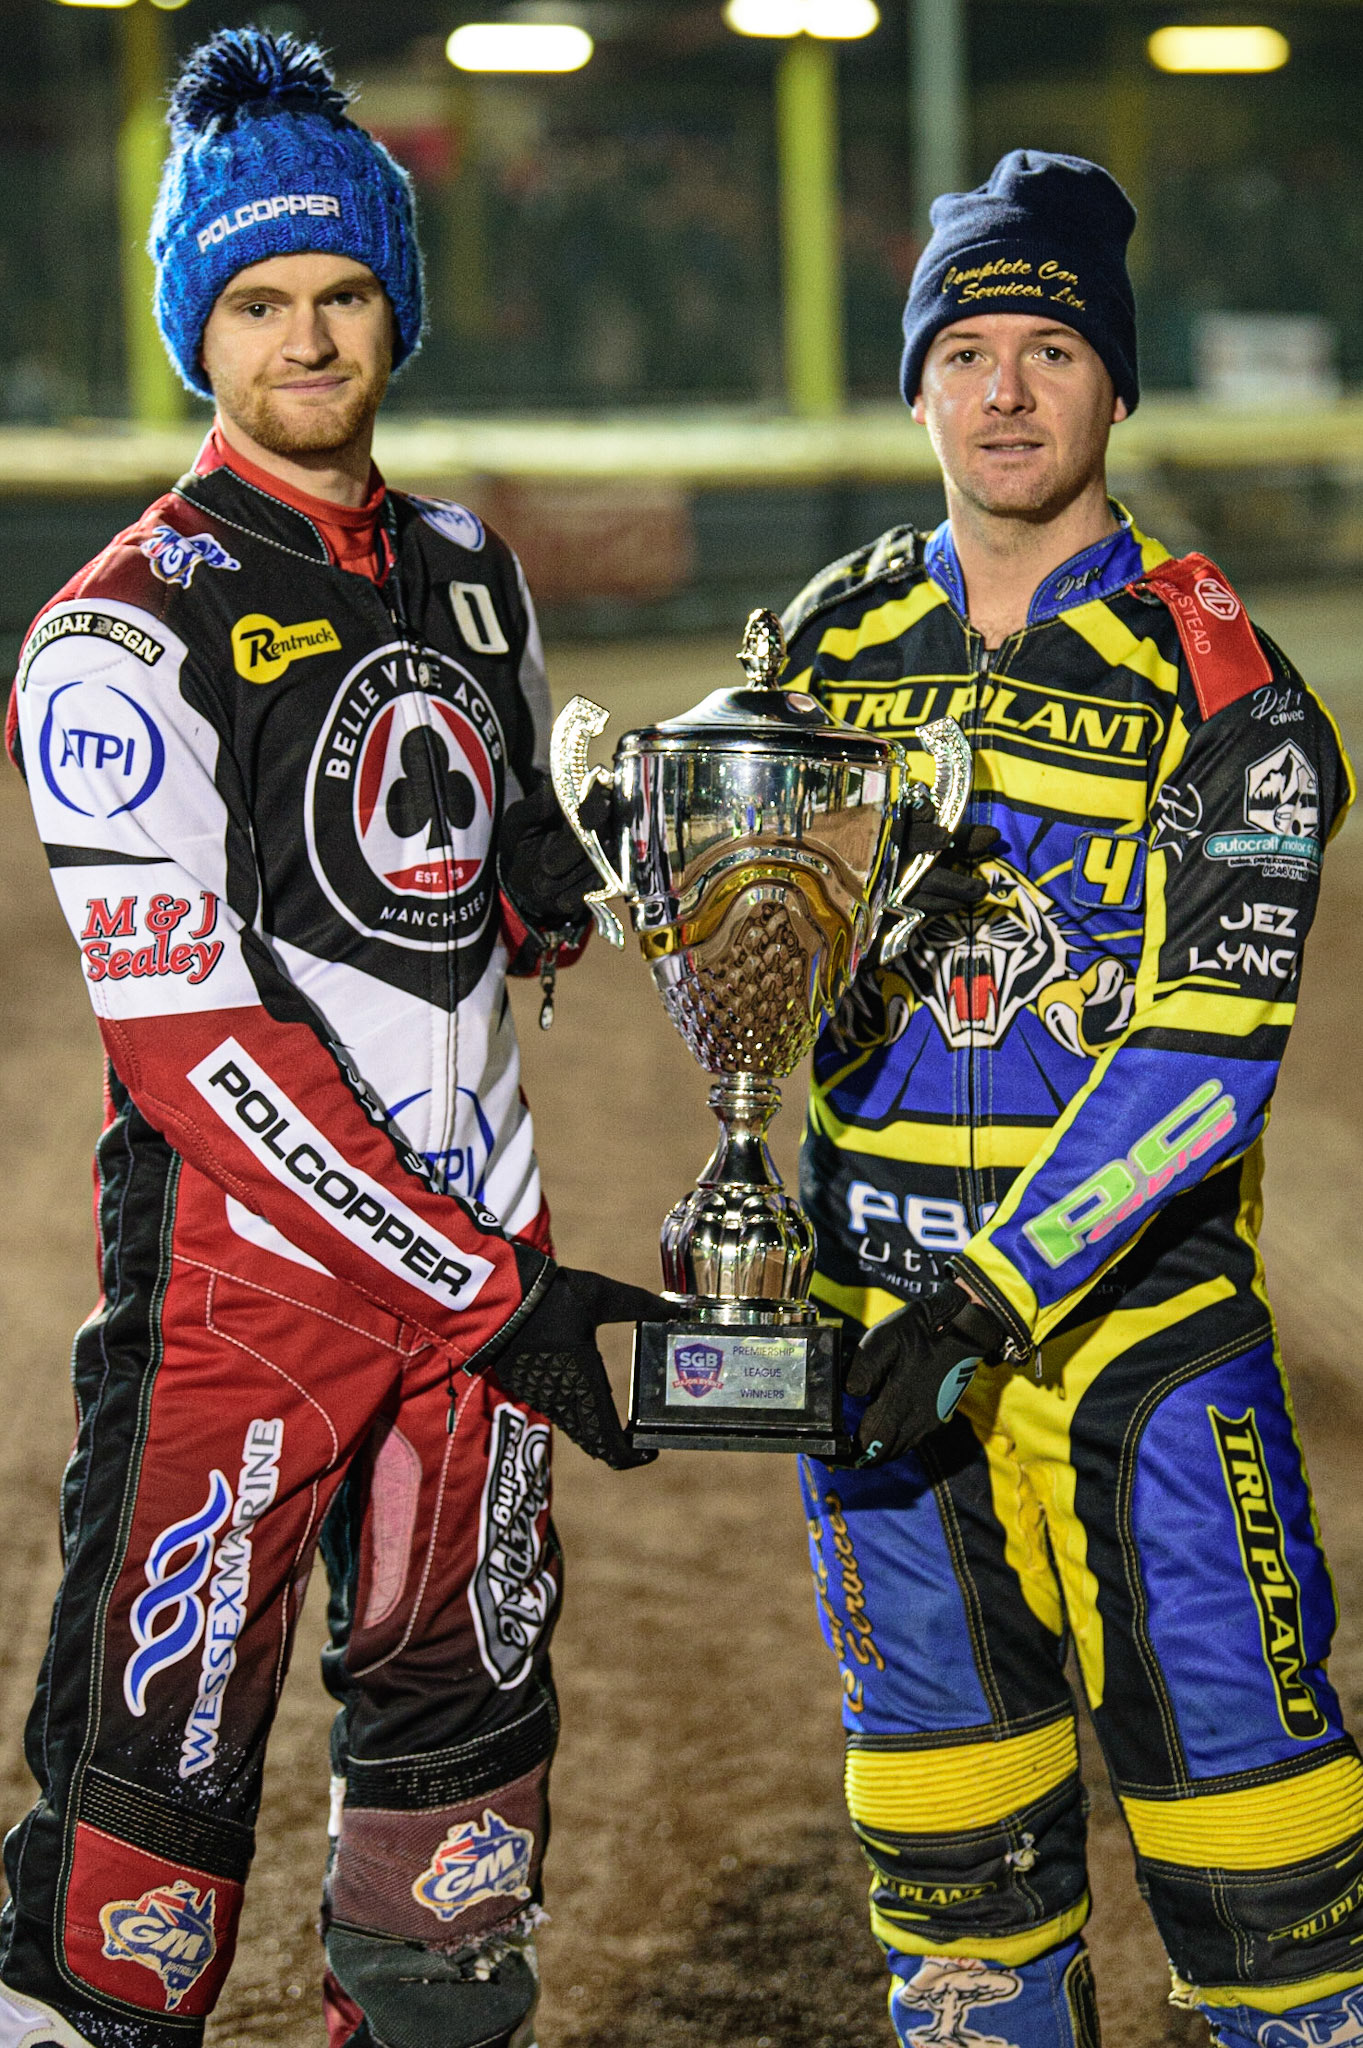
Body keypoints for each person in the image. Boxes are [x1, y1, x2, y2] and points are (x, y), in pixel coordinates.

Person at [0, 29, 665, 2048]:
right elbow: (194, 1046)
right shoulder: (121, 627)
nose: (307, 335)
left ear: (398, 308)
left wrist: (647, 856)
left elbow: (509, 896)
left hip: (476, 1301)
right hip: (249, 1311)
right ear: (202, 325)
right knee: (135, 1862)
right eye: (260, 300)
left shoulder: (469, 573)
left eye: (344, 292)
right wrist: (482, 1279)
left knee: (453, 1859)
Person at [782, 150, 1361, 2048]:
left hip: (1141, 1366)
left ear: (1117, 385)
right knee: (957, 1916)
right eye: (966, 348)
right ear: (916, 386)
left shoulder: (1235, 690)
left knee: (1278, 1919)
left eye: (1049, 349)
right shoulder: (817, 649)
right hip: (876, 1356)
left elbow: (1208, 1062)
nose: (1006, 391)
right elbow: (726, 949)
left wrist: (993, 1294)